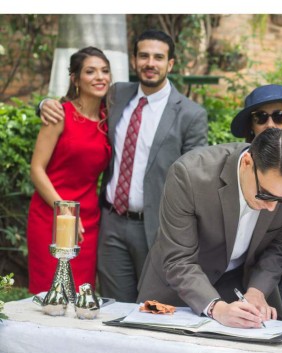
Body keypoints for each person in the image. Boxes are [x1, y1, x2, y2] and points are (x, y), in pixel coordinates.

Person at [39, 29, 208, 302]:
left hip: (154, 229)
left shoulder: (191, 114)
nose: (150, 63)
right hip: (110, 225)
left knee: (153, 307)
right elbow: (77, 108)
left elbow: (195, 182)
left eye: (158, 57)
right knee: (112, 307)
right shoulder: (117, 95)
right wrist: (44, 104)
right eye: (144, 56)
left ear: (170, 64)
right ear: (134, 60)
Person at [137, 128, 282, 328]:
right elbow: (178, 259)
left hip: (243, 289)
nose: (272, 207)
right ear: (247, 163)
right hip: (174, 290)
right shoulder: (189, 175)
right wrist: (216, 308)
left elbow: (281, 246)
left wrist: (257, 292)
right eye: (265, 194)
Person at [27, 47, 112, 294]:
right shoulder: (59, 114)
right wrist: (64, 209)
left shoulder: (109, 120)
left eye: (105, 71)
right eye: (90, 71)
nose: (100, 77)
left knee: (80, 293)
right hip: (51, 215)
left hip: (89, 220)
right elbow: (36, 169)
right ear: (75, 79)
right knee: (50, 294)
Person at [230, 84, 282, 320]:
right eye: (261, 117)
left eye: (279, 116)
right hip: (235, 273)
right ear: (251, 126)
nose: (270, 124)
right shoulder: (235, 165)